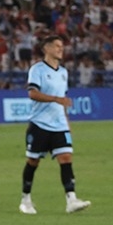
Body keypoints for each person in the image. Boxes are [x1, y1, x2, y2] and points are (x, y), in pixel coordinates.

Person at [18, 34, 91, 215]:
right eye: (57, 46)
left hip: (59, 124)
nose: (61, 49)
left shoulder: (64, 72)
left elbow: (63, 99)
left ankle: (71, 200)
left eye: (62, 46)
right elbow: (32, 93)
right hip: (40, 124)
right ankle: (25, 200)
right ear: (47, 48)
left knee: (66, 158)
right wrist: (56, 99)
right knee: (33, 161)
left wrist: (67, 122)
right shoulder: (37, 70)